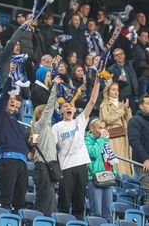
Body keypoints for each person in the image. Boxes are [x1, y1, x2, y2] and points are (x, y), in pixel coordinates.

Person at [52, 74, 100, 220]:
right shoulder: (56, 127)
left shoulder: (80, 121)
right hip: (65, 168)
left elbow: (92, 101)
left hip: (81, 166)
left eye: (70, 106)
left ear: (74, 110)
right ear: (60, 111)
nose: (68, 107)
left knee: (79, 204)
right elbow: (53, 150)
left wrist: (97, 80)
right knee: (64, 204)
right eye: (65, 106)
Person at [0, 61, 30, 212]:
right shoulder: (0, 115)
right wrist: (10, 76)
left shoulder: (18, 122)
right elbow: (3, 98)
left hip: (22, 162)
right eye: (11, 101)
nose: (13, 103)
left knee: (20, 202)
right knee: (7, 199)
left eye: (16, 103)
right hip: (8, 159)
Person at [30, 77, 60, 215]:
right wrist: (55, 87)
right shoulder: (40, 125)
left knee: (51, 202)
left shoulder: (48, 129)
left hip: (49, 167)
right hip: (42, 167)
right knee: (45, 203)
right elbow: (50, 106)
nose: (47, 115)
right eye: (44, 114)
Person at [85, 118, 117, 222]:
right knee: (97, 212)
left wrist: (114, 173)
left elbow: (110, 158)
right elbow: (94, 153)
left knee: (108, 213)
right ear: (92, 128)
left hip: (107, 178)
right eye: (99, 128)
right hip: (94, 179)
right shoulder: (87, 141)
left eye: (104, 128)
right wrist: (102, 139)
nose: (102, 130)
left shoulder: (105, 142)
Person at [99, 82, 133, 177]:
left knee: (125, 160)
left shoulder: (120, 104)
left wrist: (127, 110)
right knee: (117, 160)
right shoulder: (104, 105)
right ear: (107, 91)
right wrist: (122, 110)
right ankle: (117, 180)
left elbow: (129, 120)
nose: (116, 92)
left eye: (117, 90)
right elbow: (107, 119)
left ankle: (127, 181)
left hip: (124, 135)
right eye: (113, 89)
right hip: (113, 136)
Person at [128, 95, 149, 205]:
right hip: (143, 164)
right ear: (141, 106)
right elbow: (134, 141)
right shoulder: (135, 120)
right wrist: (145, 159)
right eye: (148, 103)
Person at [108, 48, 138, 113]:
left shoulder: (131, 64)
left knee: (133, 113)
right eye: (117, 55)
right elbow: (110, 84)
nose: (119, 56)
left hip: (133, 94)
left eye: (121, 54)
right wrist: (118, 80)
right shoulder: (111, 69)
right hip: (121, 96)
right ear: (114, 58)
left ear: (124, 55)